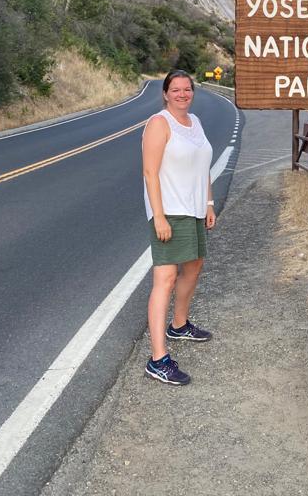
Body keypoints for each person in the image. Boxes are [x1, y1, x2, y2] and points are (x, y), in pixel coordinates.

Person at [141, 69, 216, 385]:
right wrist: (159, 216)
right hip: (170, 210)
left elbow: (203, 166)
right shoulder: (159, 123)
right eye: (176, 90)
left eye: (187, 89)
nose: (182, 94)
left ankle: (179, 325)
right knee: (166, 278)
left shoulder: (194, 122)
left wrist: (208, 203)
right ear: (165, 94)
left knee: (194, 267)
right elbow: (150, 172)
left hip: (194, 209)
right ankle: (158, 359)